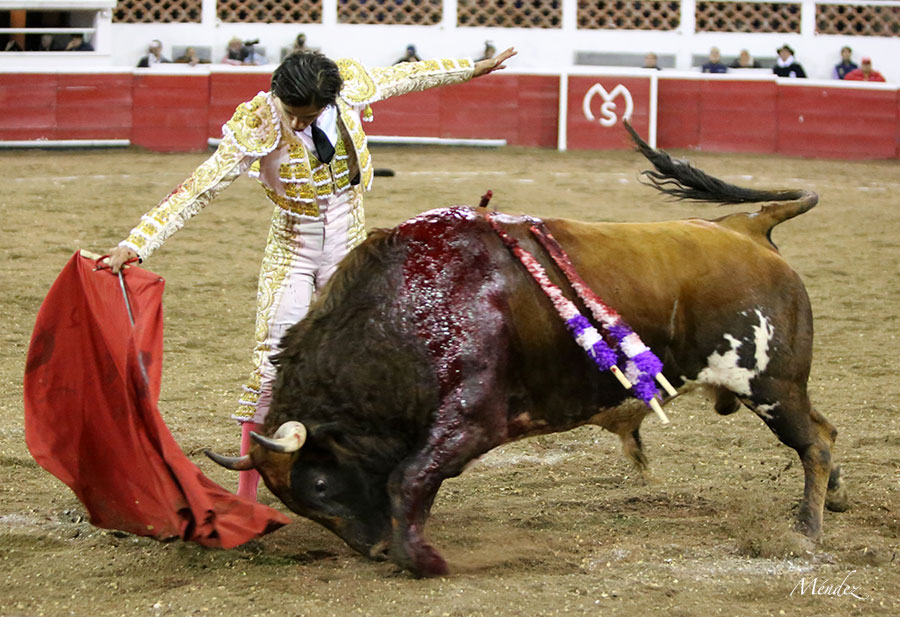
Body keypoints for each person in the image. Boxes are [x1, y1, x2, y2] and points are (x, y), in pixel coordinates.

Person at [106, 46, 518, 501]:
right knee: (270, 365)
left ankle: (371, 472)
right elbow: (199, 188)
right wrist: (136, 242)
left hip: (350, 253)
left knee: (370, 363)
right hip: (292, 253)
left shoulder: (348, 88)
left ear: (330, 100)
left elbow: (409, 75)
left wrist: (470, 68)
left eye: (308, 115)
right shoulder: (259, 121)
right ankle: (246, 497)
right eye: (291, 113)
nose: (298, 124)